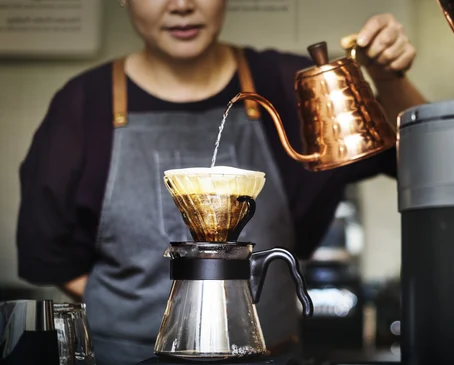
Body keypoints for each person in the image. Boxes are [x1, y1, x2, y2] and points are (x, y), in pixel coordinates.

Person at [16, 1, 427, 364]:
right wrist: (134, 317)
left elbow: (423, 159)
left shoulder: (287, 85)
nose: (181, 5)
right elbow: (48, 252)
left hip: (269, 357)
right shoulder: (83, 103)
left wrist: (389, 79)